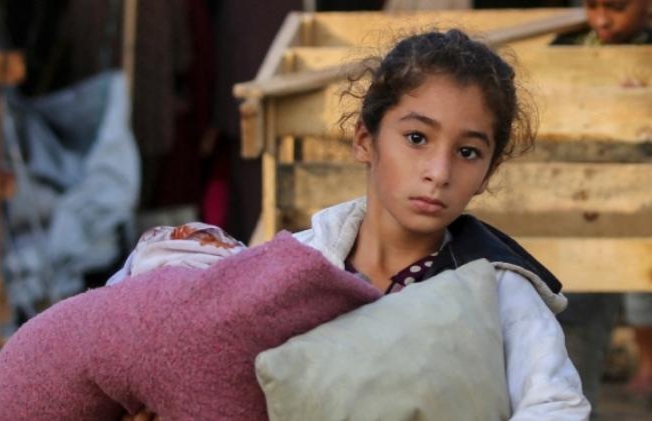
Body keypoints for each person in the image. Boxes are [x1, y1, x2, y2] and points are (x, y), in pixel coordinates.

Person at [128, 29, 590, 420]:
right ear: (365, 140)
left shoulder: (501, 290)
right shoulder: (299, 265)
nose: (439, 171)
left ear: (487, 173)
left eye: (468, 151)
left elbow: (555, 406)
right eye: (416, 138)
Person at [552, 0, 651, 413]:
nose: (602, 19)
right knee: (579, 319)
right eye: (592, 6)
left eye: (616, 7)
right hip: (583, 208)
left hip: (642, 207)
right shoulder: (567, 47)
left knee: (642, 296)